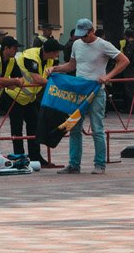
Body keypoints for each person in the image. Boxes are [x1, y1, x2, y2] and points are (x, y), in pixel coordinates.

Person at [49, 19, 128, 175]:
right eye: (80, 36)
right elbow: (72, 65)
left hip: (96, 91)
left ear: (92, 31)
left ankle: (99, 164)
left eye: (84, 35)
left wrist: (108, 76)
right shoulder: (77, 45)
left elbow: (124, 60)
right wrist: (56, 68)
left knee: (97, 128)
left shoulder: (103, 45)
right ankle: (74, 164)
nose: (82, 39)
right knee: (74, 128)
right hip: (79, 92)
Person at [5, 38, 60, 164]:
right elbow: (36, 79)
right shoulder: (31, 57)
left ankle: (35, 156)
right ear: (49, 52)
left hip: (29, 97)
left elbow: (49, 74)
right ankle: (19, 157)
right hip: (15, 95)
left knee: (34, 126)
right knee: (17, 128)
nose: (57, 55)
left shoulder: (49, 59)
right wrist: (57, 85)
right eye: (56, 52)